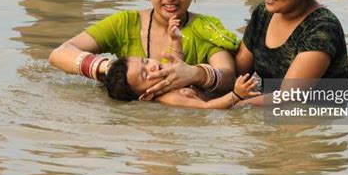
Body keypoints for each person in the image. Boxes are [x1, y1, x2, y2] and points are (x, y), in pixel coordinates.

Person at [49, 0, 239, 97]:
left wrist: (195, 74)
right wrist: (111, 69)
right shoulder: (126, 23)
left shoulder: (206, 28)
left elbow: (229, 76)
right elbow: (59, 54)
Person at [235, 0, 348, 106]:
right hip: (270, 110)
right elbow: (238, 70)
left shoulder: (322, 28)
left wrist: (235, 105)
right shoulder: (263, 13)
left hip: (314, 122)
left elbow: (289, 97)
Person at [103, 56, 260, 109]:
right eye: (145, 74)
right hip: (227, 105)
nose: (151, 66)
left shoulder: (169, 81)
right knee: (277, 103)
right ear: (146, 96)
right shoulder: (170, 98)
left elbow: (179, 65)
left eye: (145, 60)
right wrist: (236, 95)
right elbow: (206, 107)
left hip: (220, 97)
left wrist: (175, 38)